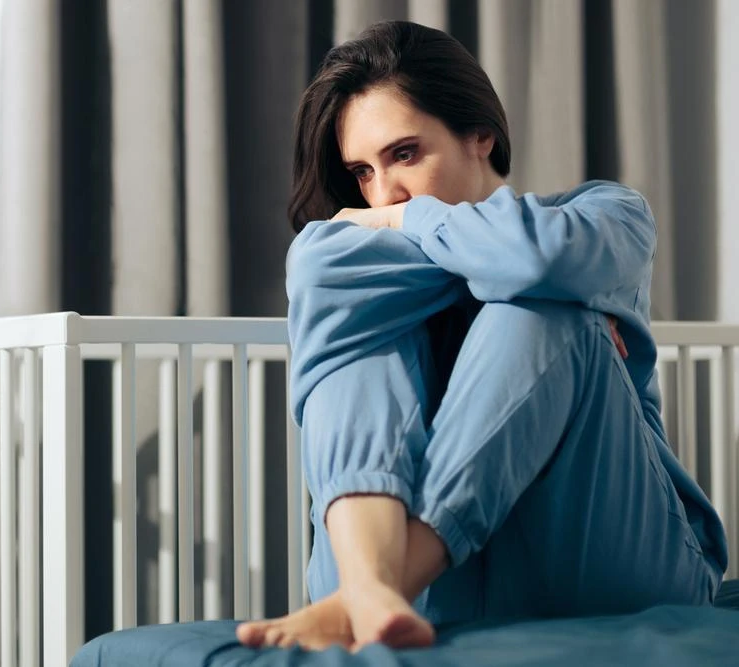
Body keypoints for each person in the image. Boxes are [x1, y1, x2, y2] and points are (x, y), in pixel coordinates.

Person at [236, 20, 727, 652]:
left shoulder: (602, 215)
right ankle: (366, 581)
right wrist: (469, 253)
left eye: (405, 154)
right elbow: (314, 259)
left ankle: (366, 594)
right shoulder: (349, 256)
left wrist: (410, 220)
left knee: (540, 304)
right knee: (358, 321)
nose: (382, 193)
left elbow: (545, 260)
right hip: (451, 589)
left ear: (480, 135)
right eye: (362, 172)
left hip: (614, 561)